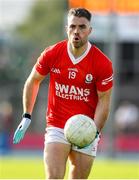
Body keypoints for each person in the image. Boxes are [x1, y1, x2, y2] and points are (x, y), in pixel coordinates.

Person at [13, 8, 113, 179]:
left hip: (86, 127)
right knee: (53, 177)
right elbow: (33, 80)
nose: (77, 31)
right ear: (66, 28)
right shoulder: (52, 53)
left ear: (90, 30)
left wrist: (94, 130)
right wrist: (26, 115)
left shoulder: (102, 63)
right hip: (57, 125)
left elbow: (104, 99)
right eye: (73, 26)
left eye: (82, 27)